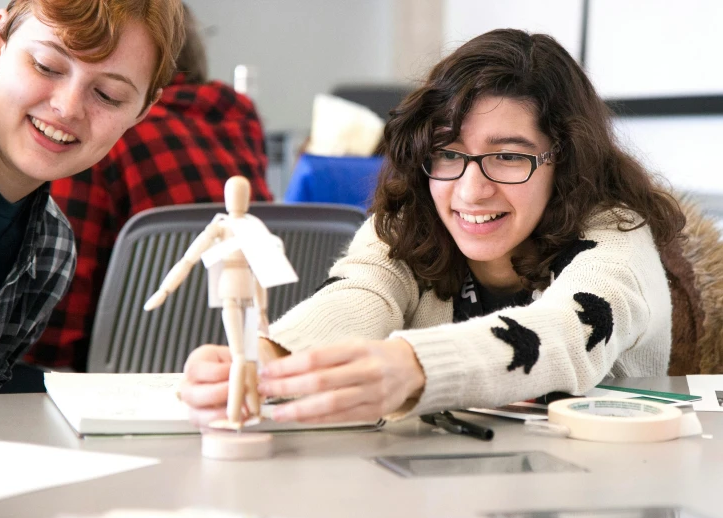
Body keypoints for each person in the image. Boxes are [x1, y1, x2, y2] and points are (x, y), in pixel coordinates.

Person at [179, 29, 689, 426]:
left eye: (509, 156)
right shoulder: (411, 218)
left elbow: (564, 335)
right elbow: (359, 293)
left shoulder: (617, 237)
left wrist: (414, 367)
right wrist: (266, 360)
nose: (470, 190)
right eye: (448, 153)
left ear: (567, 159)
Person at [24, 3, 272, 373]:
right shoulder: (241, 122)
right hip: (230, 368)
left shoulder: (103, 136)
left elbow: (55, 330)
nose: (72, 106)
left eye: (107, 93)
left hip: (109, 387)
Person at [0, 0, 185, 393]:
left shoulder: (52, 251)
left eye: (109, 95)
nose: (67, 107)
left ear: (143, 109)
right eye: (46, 66)